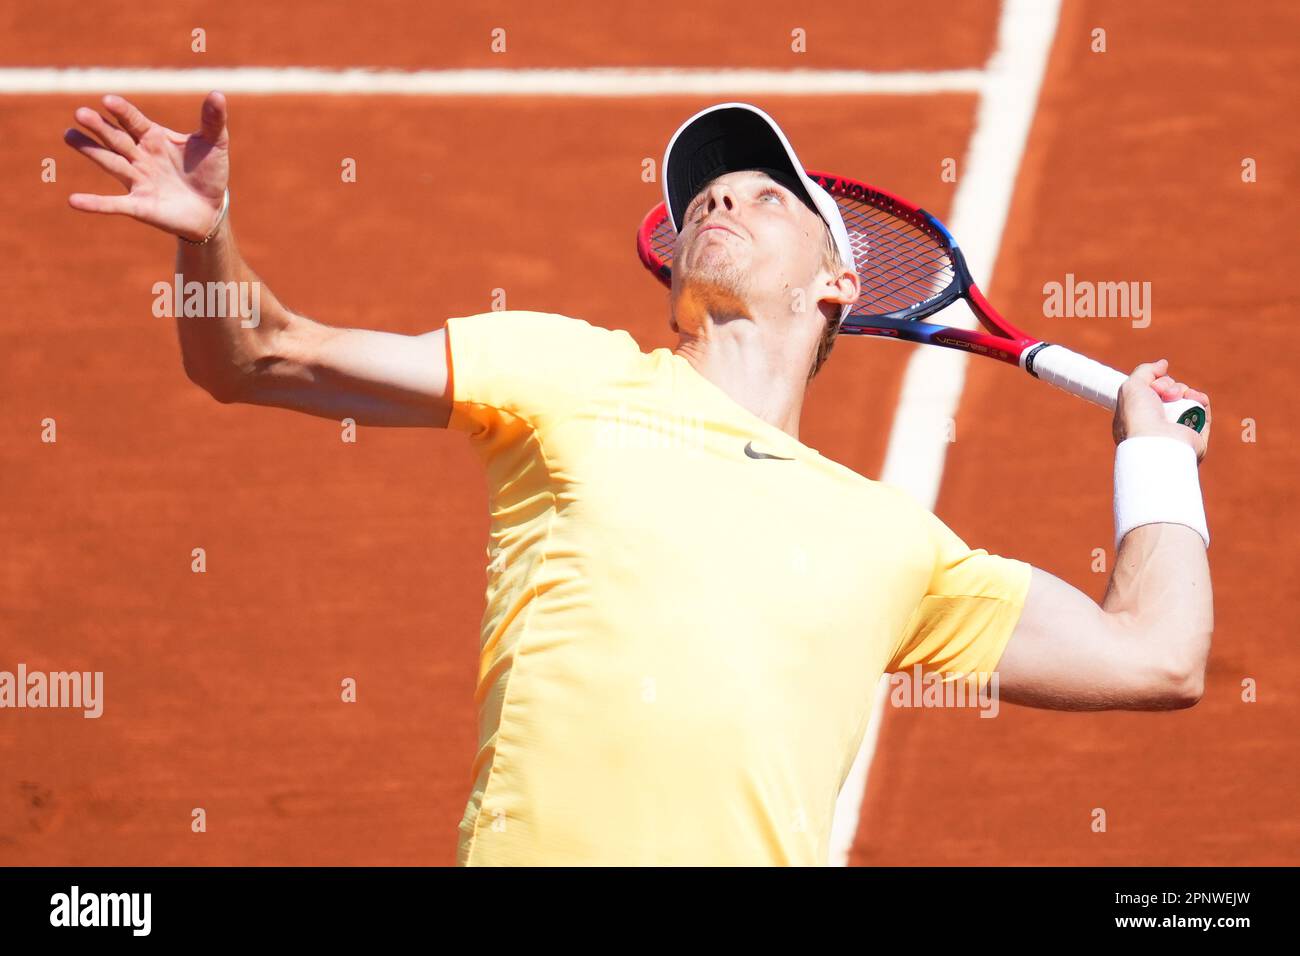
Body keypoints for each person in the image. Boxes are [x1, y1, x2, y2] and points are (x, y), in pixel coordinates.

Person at [64, 96, 1214, 866]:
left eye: (769, 195)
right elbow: (261, 356)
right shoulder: (567, 371)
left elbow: (1156, 657)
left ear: (836, 282)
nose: (719, 199)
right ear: (666, 271)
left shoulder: (894, 542)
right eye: (702, 197)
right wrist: (204, 238)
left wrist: (1156, 458)